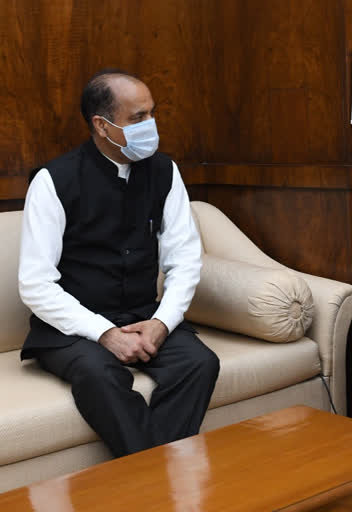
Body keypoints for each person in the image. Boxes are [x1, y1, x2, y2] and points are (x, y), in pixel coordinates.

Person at [18, 69, 220, 457]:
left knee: (199, 364)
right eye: (138, 118)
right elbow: (35, 284)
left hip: (143, 315)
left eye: (152, 114)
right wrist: (104, 333)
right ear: (102, 125)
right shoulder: (53, 180)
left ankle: (146, 482)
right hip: (72, 327)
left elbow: (185, 258)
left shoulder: (165, 171)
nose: (151, 125)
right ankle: (159, 480)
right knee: (100, 375)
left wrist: (162, 323)